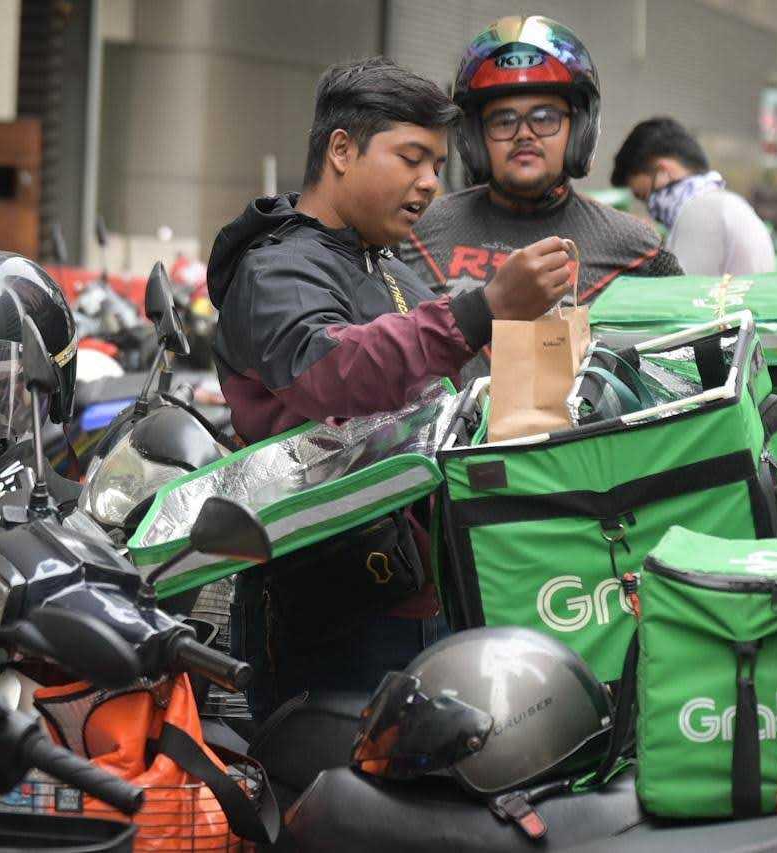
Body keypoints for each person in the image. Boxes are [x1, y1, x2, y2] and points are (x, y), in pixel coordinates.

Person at [206, 57, 574, 720]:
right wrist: (484, 307)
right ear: (342, 150)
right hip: (327, 618)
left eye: (438, 165)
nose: (429, 182)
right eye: (411, 158)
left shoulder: (388, 267)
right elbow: (331, 373)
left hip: (422, 595)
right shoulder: (276, 268)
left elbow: (457, 390)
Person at [400, 15, 683, 315]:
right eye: (503, 121)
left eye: (545, 118)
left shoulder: (635, 248)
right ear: (476, 136)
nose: (524, 134)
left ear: (578, 130)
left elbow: (687, 333)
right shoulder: (415, 232)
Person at [611, 117, 776, 277]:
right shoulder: (728, 203)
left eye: (644, 196)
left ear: (663, 172)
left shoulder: (701, 211)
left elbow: (683, 291)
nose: (649, 207)